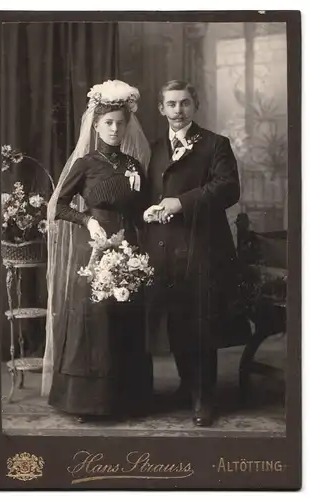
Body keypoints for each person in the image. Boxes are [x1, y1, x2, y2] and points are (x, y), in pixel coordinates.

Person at [41, 80, 153, 422]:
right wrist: (88, 220)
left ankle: (127, 400)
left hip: (128, 246)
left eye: (120, 123)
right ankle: (87, 403)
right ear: (96, 125)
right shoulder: (85, 163)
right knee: (96, 320)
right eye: (108, 123)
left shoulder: (134, 165)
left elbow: (141, 206)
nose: (115, 129)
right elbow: (57, 205)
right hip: (95, 248)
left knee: (126, 317)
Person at [143, 80, 240, 427]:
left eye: (185, 103)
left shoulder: (216, 144)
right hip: (164, 248)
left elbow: (228, 189)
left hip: (201, 246)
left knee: (200, 322)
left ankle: (204, 397)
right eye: (171, 104)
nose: (178, 110)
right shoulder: (154, 149)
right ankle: (188, 385)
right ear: (161, 109)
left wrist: (181, 202)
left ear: (195, 105)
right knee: (176, 319)